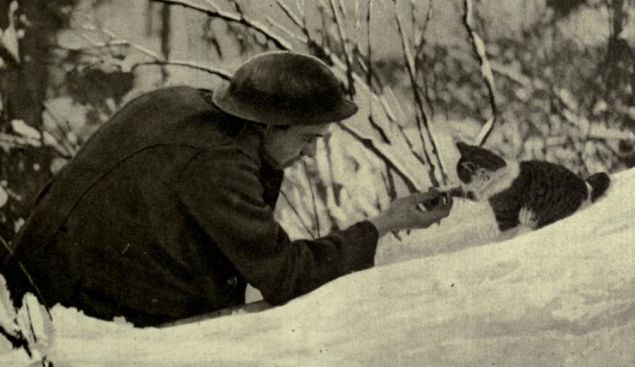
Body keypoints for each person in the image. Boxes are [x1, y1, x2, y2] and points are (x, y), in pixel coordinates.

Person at [1, 51, 452, 326]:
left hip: (41, 289)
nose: (312, 155)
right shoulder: (217, 162)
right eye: (307, 139)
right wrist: (383, 224)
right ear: (269, 124)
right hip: (71, 320)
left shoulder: (188, 107)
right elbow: (284, 274)